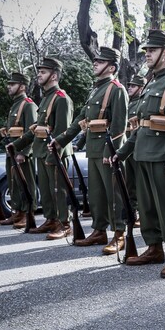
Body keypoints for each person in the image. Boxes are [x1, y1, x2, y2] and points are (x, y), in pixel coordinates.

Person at [114, 29, 165, 278]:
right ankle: (154, 247)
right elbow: (142, 124)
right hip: (142, 153)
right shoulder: (150, 82)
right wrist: (123, 152)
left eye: (152, 50)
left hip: (162, 155)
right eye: (146, 50)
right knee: (146, 206)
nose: (147, 54)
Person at [52, 47, 128, 254]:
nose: (95, 63)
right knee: (96, 194)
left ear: (111, 67)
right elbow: (81, 120)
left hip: (107, 150)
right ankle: (99, 230)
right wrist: (61, 140)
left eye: (101, 61)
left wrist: (110, 152)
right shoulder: (96, 89)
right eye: (95, 60)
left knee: (113, 195)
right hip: (93, 148)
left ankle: (119, 234)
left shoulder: (116, 89)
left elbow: (120, 126)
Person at [13, 58, 73, 238]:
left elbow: (62, 131)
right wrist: (16, 145)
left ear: (54, 75)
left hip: (54, 153)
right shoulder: (47, 98)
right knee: (46, 191)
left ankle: (65, 224)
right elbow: (35, 129)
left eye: (43, 72)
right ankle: (51, 219)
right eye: (39, 71)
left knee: (58, 191)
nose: (39, 75)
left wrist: (54, 155)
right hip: (41, 150)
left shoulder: (61, 98)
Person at [0, 73, 38, 226]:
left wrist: (24, 152)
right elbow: (6, 130)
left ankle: (27, 213)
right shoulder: (15, 104)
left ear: (22, 86)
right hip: (12, 151)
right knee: (14, 183)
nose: (9, 86)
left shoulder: (28, 105)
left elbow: (33, 131)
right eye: (9, 84)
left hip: (21, 153)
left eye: (12, 84)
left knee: (26, 184)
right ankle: (17, 212)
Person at [125, 74, 146, 227]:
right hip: (127, 147)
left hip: (138, 146)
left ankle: (141, 212)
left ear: (141, 88)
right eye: (129, 85)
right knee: (130, 182)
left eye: (133, 86)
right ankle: (133, 212)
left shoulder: (141, 103)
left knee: (140, 182)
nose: (130, 88)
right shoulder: (128, 103)